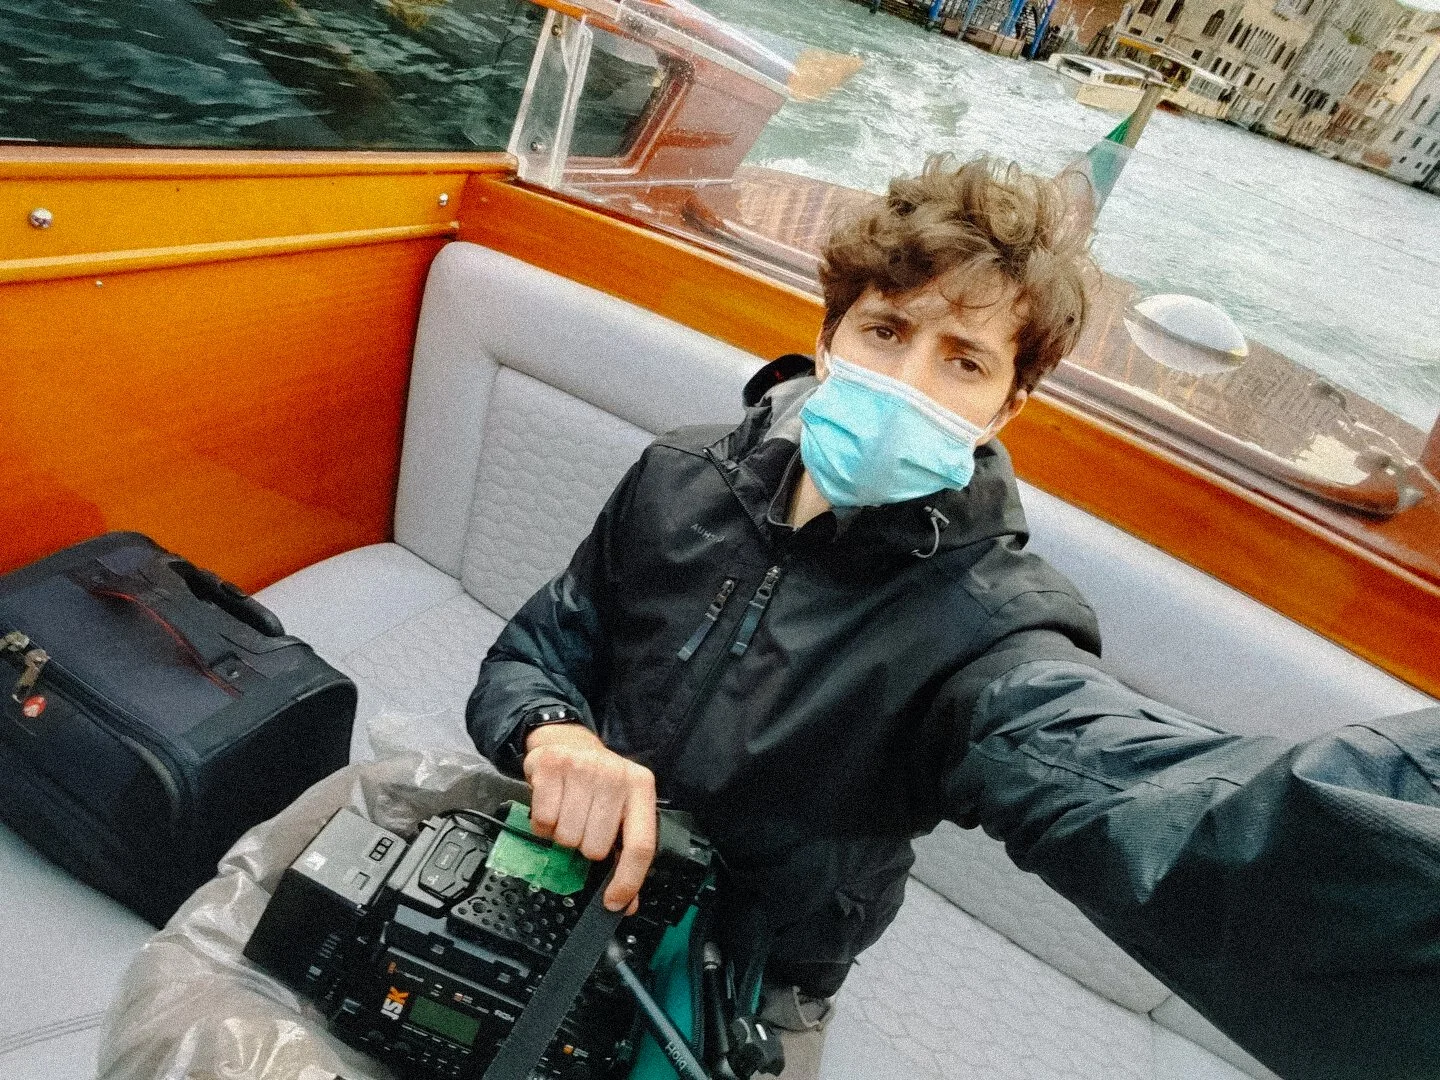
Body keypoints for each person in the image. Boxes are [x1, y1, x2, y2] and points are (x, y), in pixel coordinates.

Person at [467, 155, 1440, 1080]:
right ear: (830, 338)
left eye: (964, 362)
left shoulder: (994, 627)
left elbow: (1150, 802)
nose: (909, 383)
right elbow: (538, 650)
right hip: (569, 864)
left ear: (1007, 407)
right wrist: (555, 736)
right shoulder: (678, 475)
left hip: (754, 978)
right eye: (887, 332)